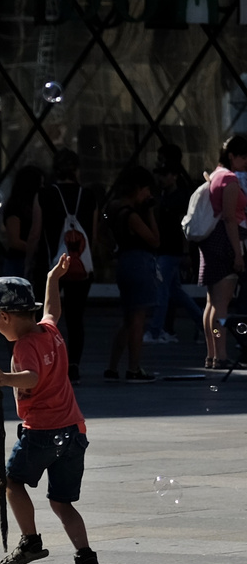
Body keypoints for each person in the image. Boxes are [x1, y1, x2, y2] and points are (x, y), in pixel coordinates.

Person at [0, 266, 99, 564]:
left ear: (4, 315)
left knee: (12, 482)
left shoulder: (24, 346)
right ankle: (86, 556)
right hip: (74, 432)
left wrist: (5, 378)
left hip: (43, 433)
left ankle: (30, 541)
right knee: (62, 502)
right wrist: (52, 279)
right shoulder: (50, 332)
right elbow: (52, 310)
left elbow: (32, 376)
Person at [26, 150, 97, 385]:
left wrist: (29, 263)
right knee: (76, 318)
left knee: (46, 317)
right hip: (80, 267)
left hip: (50, 267)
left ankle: (44, 363)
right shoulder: (89, 195)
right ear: (77, 170)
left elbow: (36, 233)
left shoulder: (44, 195)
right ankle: (73, 366)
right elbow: (93, 236)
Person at [104, 166, 160, 382]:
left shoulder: (114, 208)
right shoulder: (132, 215)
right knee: (138, 318)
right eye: (146, 190)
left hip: (124, 262)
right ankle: (134, 368)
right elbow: (155, 240)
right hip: (139, 263)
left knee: (127, 318)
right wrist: (150, 213)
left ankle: (112, 367)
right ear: (137, 190)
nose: (148, 195)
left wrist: (113, 248)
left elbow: (101, 233)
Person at [144, 145, 203, 344]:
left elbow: (183, 228)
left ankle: (155, 330)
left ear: (175, 176)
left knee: (162, 290)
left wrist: (186, 253)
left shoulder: (180, 198)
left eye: (166, 174)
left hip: (172, 250)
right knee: (176, 292)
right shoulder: (163, 197)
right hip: (166, 249)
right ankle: (203, 324)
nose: (162, 178)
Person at [199, 134, 247, 369]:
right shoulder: (229, 180)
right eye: (243, 157)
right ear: (232, 156)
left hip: (211, 243)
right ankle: (222, 355)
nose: (246, 162)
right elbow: (230, 219)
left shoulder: (215, 175)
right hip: (226, 242)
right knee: (221, 305)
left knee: (212, 303)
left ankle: (212, 355)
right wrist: (238, 253)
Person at [1, 165, 44, 277]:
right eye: (41, 184)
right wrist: (38, 249)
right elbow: (15, 242)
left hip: (28, 260)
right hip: (19, 261)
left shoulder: (34, 207)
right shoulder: (15, 208)